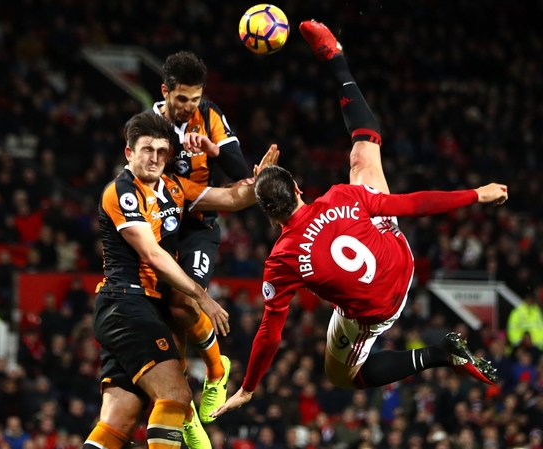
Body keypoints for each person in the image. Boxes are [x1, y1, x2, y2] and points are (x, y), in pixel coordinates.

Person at [211, 21, 506, 418]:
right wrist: (477, 194)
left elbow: (270, 334)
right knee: (363, 155)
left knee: (343, 376)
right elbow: (413, 205)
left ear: (265, 214)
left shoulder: (281, 262)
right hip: (397, 255)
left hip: (381, 306)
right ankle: (336, 61)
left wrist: (248, 388)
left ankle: (439, 355)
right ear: (298, 188)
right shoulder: (341, 195)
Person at [82, 112, 277, 449]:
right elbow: (153, 255)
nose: (155, 158)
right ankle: (217, 371)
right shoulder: (122, 192)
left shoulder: (173, 187)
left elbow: (231, 198)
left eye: (161, 151)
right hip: (126, 304)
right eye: (146, 150)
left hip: (138, 310)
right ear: (129, 153)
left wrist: (259, 182)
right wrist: (201, 295)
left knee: (120, 419)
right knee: (176, 394)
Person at [154, 51, 249, 426]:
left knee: (182, 300)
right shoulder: (148, 125)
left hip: (198, 227)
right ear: (165, 92)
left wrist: (212, 151)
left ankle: (216, 370)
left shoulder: (209, 116)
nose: (188, 107)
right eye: (181, 99)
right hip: (160, 226)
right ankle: (185, 412)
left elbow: (239, 170)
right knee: (169, 324)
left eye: (194, 99)